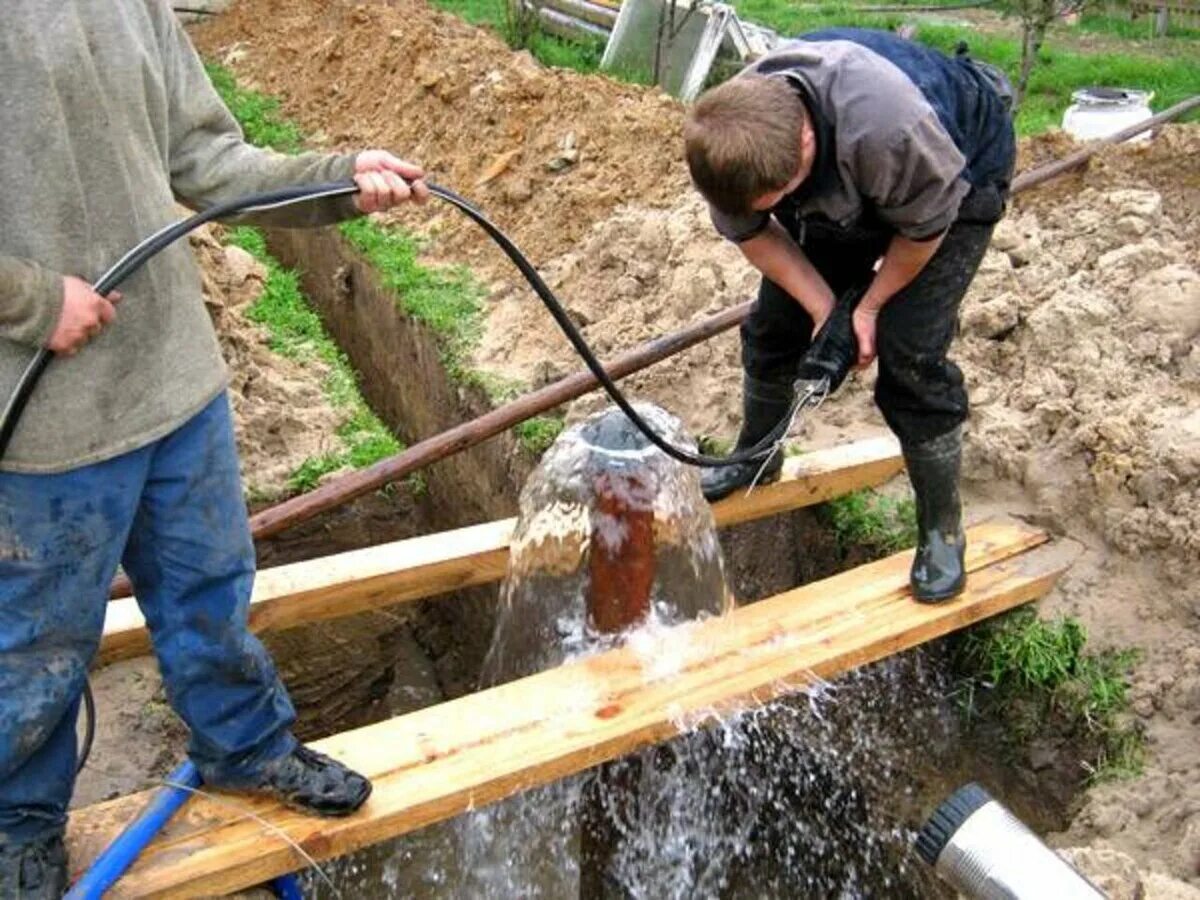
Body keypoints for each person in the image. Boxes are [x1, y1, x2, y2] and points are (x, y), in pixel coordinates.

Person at [0, 2, 428, 894]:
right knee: (37, 642)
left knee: (210, 589)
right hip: (43, 418)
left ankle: (245, 746)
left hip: (173, 380)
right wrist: (33, 301)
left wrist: (341, 178)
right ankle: (19, 822)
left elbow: (209, 160)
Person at [684, 27, 1016, 605]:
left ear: (806, 142)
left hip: (959, 173)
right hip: (850, 177)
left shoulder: (888, 130)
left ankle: (942, 530)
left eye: (781, 194)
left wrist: (868, 306)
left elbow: (923, 230)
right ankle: (758, 457)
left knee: (911, 352)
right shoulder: (725, 143)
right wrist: (822, 309)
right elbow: (758, 236)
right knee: (773, 327)